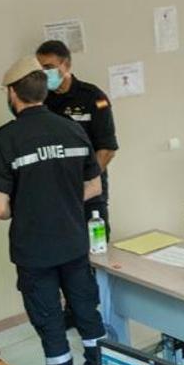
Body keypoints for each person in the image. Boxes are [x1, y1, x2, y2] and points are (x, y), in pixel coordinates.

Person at [0, 57, 105, 365]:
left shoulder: (6, 138)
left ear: (13, 94)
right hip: (73, 241)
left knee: (50, 322)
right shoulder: (72, 129)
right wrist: (63, 201)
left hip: (34, 251)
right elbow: (94, 187)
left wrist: (30, 206)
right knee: (86, 313)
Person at [35, 40, 118, 236]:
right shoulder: (41, 100)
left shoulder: (93, 97)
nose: (44, 73)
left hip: (89, 189)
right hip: (54, 190)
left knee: (94, 246)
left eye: (49, 67)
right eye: (39, 68)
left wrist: (84, 182)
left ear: (66, 65)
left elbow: (107, 149)